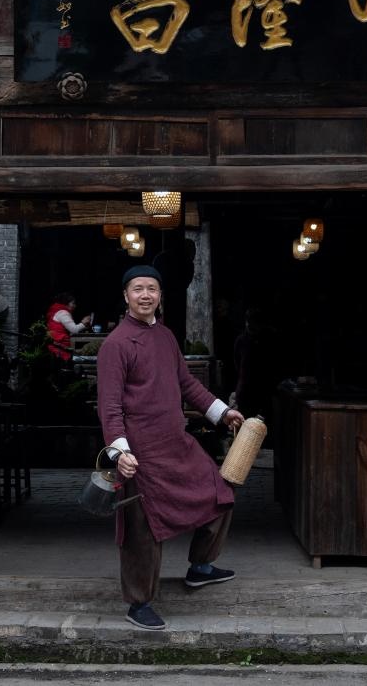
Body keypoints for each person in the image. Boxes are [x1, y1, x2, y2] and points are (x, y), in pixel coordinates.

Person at [97, 265, 245, 632]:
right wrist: (119, 451)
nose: (145, 295)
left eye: (152, 289)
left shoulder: (165, 337)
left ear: (160, 296)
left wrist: (221, 412)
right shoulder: (115, 345)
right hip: (139, 452)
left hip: (176, 443)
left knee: (219, 493)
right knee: (142, 530)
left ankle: (201, 567)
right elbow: (109, 406)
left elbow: (187, 385)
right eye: (137, 289)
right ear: (126, 296)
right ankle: (139, 602)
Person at [232, 307, 283, 420]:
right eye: (248, 321)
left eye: (254, 321)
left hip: (265, 391)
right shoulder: (241, 340)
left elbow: (275, 364)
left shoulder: (269, 339)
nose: (250, 324)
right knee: (246, 426)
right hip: (245, 391)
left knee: (265, 427)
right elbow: (237, 364)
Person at [45, 292, 92, 360]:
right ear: (66, 303)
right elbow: (74, 330)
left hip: (57, 343)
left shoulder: (58, 311)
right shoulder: (63, 313)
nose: (75, 306)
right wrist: (83, 323)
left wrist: (83, 324)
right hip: (60, 346)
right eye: (73, 303)